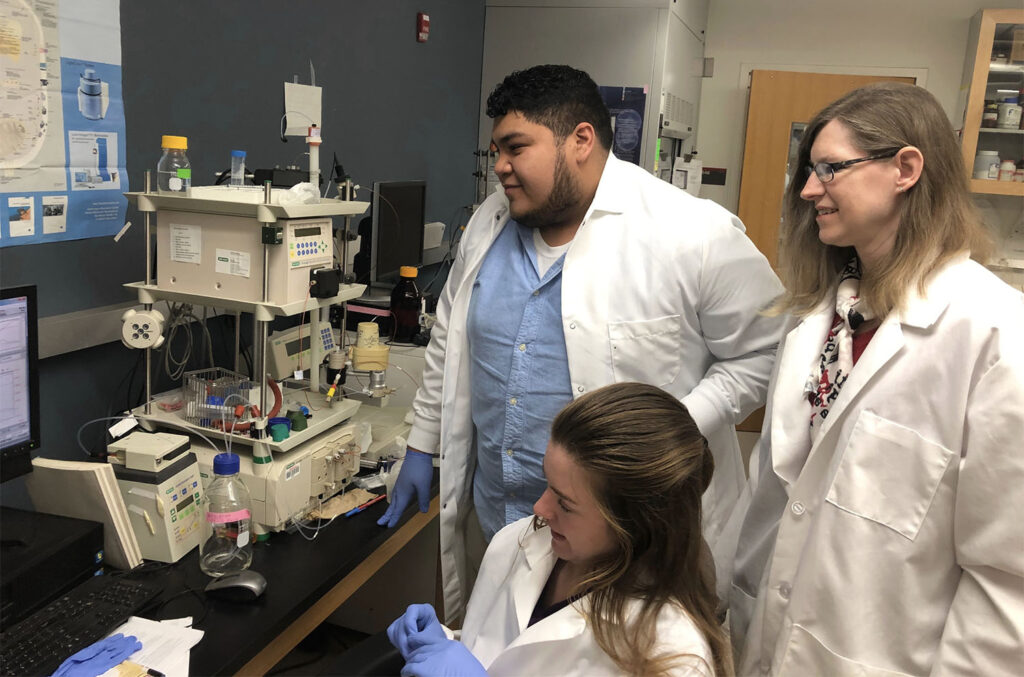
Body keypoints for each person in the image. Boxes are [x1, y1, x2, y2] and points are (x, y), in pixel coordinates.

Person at [378, 64, 785, 622]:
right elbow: (449, 337)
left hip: (629, 539)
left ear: (581, 141)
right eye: (495, 149)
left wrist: (666, 432)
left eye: (515, 147)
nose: (499, 166)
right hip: (505, 527)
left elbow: (768, 349)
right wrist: (423, 444)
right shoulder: (488, 223)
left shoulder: (690, 232)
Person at [730, 82, 1024, 675]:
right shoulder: (820, 322)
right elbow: (779, 504)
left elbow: (1007, 583)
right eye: (809, 172)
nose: (810, 190)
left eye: (830, 169)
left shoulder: (995, 338)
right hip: (767, 639)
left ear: (905, 169)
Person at [388, 383, 732, 677]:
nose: (540, 508)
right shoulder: (521, 542)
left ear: (636, 523)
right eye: (547, 483)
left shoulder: (673, 655)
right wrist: (442, 643)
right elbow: (503, 654)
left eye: (565, 503)